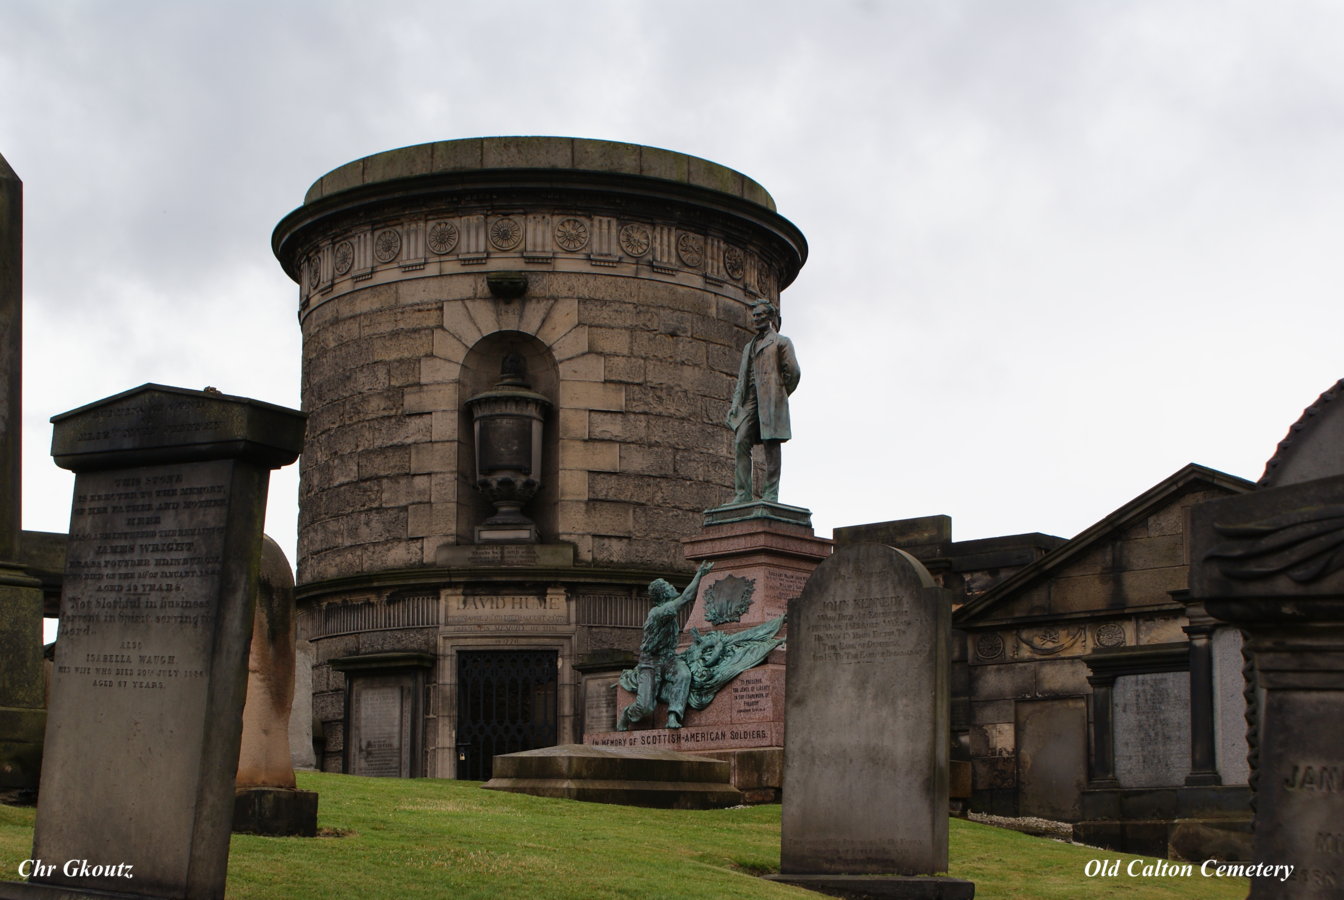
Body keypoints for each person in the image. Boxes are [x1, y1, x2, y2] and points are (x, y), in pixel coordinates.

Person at [616, 560, 713, 730]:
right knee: (645, 707)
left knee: (683, 674)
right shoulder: (659, 613)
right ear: (663, 594)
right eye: (668, 585)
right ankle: (628, 713)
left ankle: (673, 715)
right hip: (650, 662)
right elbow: (686, 598)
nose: (672, 586)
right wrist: (700, 574)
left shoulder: (668, 613)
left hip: (668, 660)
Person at [726, 299, 800, 503]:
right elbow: (742, 377)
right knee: (741, 440)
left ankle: (771, 493)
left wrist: (779, 394)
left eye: (760, 315)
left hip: (771, 400)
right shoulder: (749, 346)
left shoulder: (781, 342)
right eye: (754, 315)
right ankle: (743, 494)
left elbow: (793, 372)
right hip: (750, 399)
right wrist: (735, 404)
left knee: (771, 445)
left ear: (769, 318)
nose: (756, 318)